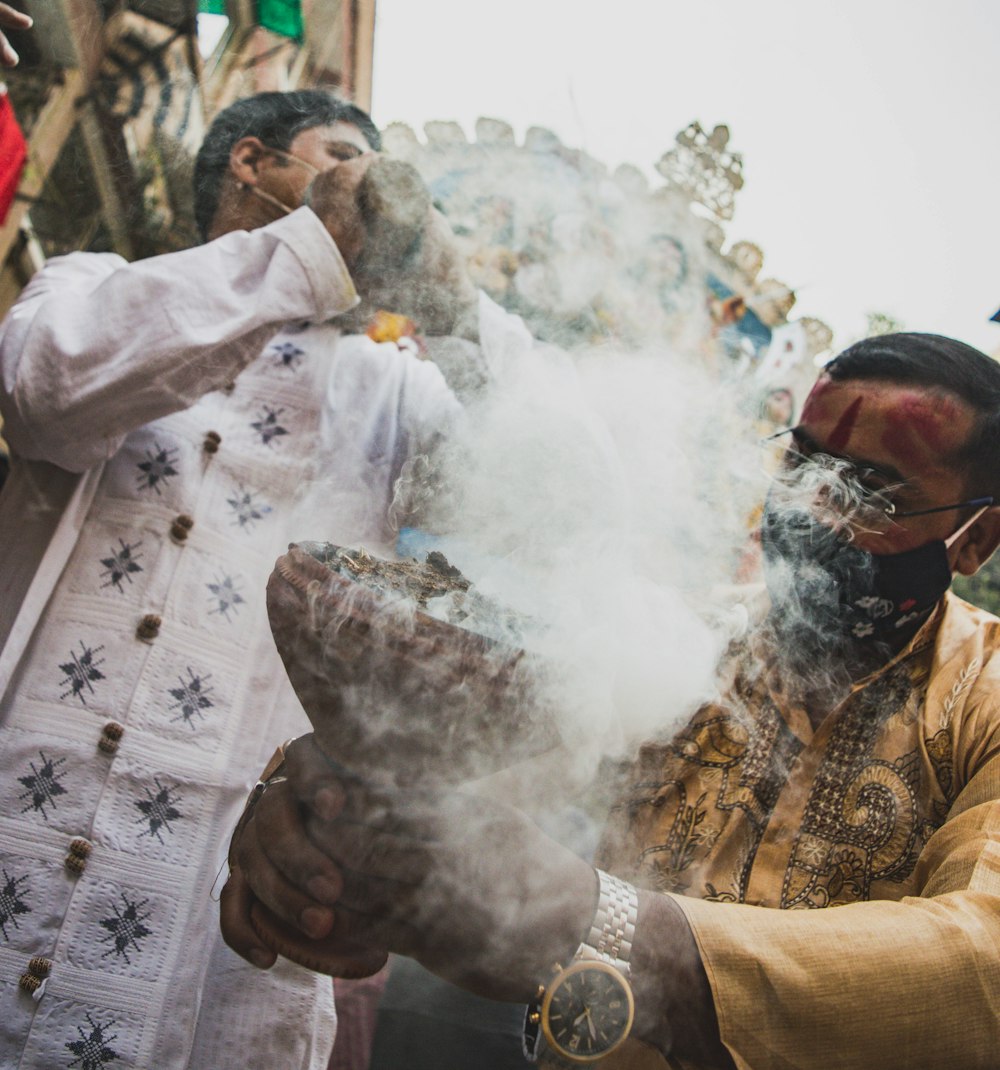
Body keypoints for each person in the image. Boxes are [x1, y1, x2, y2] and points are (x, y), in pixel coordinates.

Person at [223, 332, 1000, 1068]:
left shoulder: (984, 696)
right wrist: (339, 808)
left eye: (871, 491)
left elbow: (980, 967)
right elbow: (475, 792)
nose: (812, 510)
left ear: (974, 539)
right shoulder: (682, 639)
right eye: (801, 464)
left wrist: (594, 922)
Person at [0, 87, 530, 1068]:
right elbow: (48, 393)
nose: (377, 198)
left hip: (226, 904)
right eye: (345, 159)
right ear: (252, 162)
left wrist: (454, 310)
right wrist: (313, 245)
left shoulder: (393, 387)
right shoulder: (92, 282)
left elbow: (540, 497)